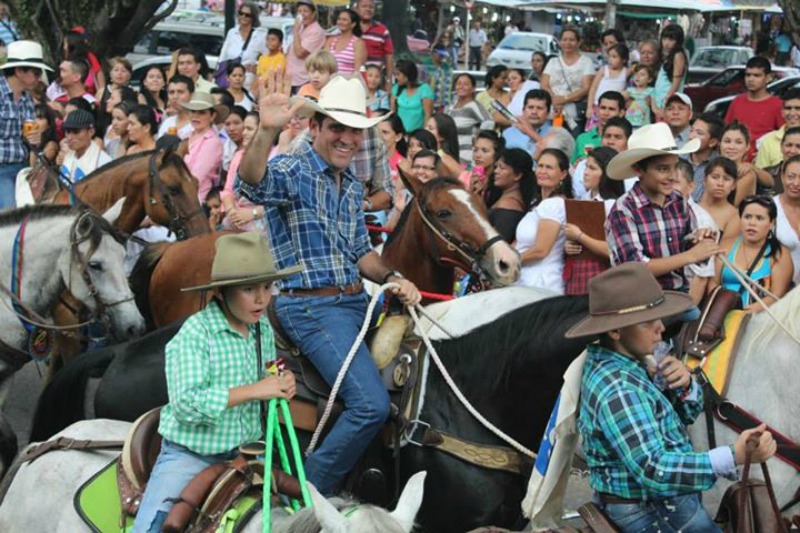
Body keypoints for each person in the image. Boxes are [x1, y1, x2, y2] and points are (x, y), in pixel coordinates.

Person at [237, 72, 421, 495]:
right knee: (371, 405)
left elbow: (363, 255)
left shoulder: (352, 185)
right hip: (310, 308)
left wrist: (394, 278)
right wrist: (266, 130)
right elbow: (250, 182)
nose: (347, 139)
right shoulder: (293, 169)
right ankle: (307, 495)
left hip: (356, 302)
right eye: (336, 127)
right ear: (314, 127)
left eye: (354, 131)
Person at [567, 261, 777, 533]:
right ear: (615, 331)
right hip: (653, 512)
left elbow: (679, 420)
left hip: (657, 506)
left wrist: (686, 385)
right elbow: (654, 469)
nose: (660, 328)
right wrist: (732, 456)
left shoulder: (633, 362)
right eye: (647, 322)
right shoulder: (619, 388)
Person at [131, 231, 301, 533]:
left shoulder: (261, 325)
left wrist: (281, 380)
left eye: (267, 286)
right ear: (221, 292)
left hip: (248, 453)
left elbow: (270, 368)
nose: (261, 298)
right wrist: (255, 391)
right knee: (152, 528)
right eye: (249, 289)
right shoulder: (195, 334)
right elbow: (186, 404)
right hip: (192, 455)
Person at [605, 122, 721, 296]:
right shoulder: (624, 210)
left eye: (675, 167)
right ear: (638, 169)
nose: (673, 176)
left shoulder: (677, 201)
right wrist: (692, 255)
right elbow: (635, 269)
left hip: (678, 296)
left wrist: (700, 243)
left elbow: (688, 247)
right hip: (640, 302)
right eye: (662, 169)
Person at [709, 195, 792, 311]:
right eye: (747, 217)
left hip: (760, 317)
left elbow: (776, 296)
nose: (752, 223)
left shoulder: (779, 254)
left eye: (759, 218)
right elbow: (713, 283)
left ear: (771, 223)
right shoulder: (725, 246)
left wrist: (744, 314)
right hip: (721, 313)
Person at [563, 146, 623, 295]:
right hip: (577, 275)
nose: (585, 172)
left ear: (607, 174)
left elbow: (613, 250)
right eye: (586, 167)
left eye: (592, 168)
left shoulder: (613, 206)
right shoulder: (581, 201)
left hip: (603, 275)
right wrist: (568, 246)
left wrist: (579, 236)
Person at [515, 147, 574, 293]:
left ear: (563, 174)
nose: (542, 171)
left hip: (540, 283)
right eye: (540, 166)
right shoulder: (538, 203)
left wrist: (509, 261)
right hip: (526, 279)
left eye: (549, 167)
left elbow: (540, 250)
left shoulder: (553, 204)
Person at [0, 40, 50, 210]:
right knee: (12, 213)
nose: (39, 77)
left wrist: (34, 139)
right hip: (1, 170)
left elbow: (29, 139)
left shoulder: (27, 99)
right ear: (19, 71)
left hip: (22, 168)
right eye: (36, 72)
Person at [725, 56, 784, 158]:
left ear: (768, 77)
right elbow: (726, 131)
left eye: (757, 75)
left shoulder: (778, 105)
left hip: (763, 161)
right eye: (748, 75)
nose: (751, 79)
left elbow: (784, 136)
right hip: (736, 159)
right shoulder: (737, 102)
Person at [540, 25, 595, 135]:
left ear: (579, 42)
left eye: (572, 40)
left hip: (574, 115)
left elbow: (586, 88)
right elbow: (544, 85)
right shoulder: (553, 62)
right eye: (564, 39)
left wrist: (563, 99)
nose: (567, 43)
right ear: (559, 42)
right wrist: (554, 100)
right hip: (552, 112)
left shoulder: (586, 62)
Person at [182, 92, 226, 202]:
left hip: (196, 200)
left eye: (201, 112)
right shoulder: (185, 136)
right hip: (178, 197)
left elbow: (197, 177)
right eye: (193, 111)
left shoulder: (213, 142)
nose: (195, 116)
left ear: (212, 116)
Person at [222, 111, 263, 231]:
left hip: (263, 220)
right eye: (244, 128)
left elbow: (279, 201)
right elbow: (228, 190)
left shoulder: (274, 156)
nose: (244, 133)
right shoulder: (239, 155)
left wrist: (253, 214)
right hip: (237, 217)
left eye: (249, 129)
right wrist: (231, 210)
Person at [484, 148, 535, 243]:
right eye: (496, 167)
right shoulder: (505, 200)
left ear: (517, 175)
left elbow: (499, 241)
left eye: (502, 168)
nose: (496, 171)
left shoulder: (510, 205)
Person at [720, 121, 773, 204]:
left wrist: (752, 167)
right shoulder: (712, 167)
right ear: (720, 144)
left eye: (738, 142)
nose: (731, 147)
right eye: (727, 141)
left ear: (747, 146)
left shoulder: (747, 174)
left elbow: (770, 181)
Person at [447, 73, 494, 163]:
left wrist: (477, 140)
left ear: (473, 88)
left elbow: (489, 122)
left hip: (465, 155)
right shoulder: (452, 105)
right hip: (450, 153)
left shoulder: (473, 106)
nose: (461, 86)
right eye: (459, 83)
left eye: (466, 84)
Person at [218, 1, 264, 89]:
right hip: (230, 81)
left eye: (247, 15)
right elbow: (222, 57)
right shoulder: (232, 33)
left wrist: (257, 68)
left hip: (248, 83)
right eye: (241, 13)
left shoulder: (260, 35)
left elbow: (268, 57)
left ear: (253, 17)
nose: (243, 16)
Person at [572, 90, 625, 164]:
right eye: (603, 108)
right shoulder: (582, 138)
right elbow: (572, 167)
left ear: (621, 113)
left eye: (611, 109)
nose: (606, 113)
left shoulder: (628, 140)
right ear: (596, 110)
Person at [59, 109, 112, 182]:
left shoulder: (104, 162)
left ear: (91, 132)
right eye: (68, 131)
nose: (69, 137)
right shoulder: (68, 156)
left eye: (76, 132)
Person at [586, 43, 629, 132]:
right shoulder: (603, 70)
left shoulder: (626, 72)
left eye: (614, 57)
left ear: (624, 60)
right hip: (598, 106)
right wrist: (589, 107)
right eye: (609, 56)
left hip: (614, 109)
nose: (610, 60)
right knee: (593, 131)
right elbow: (593, 88)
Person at [755, 88, 800, 170]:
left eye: (798, 108)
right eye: (788, 108)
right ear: (782, 112)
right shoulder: (767, 141)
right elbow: (761, 177)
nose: (792, 113)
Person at [288, 0, 327, 94]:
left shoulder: (316, 31)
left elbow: (300, 53)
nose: (301, 15)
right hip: (291, 78)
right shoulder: (301, 27)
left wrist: (295, 31)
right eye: (299, 11)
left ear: (313, 14)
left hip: (303, 79)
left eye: (305, 11)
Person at [697, 157, 741, 239]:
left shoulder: (735, 216)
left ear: (734, 185)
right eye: (715, 177)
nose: (720, 183)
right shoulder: (691, 209)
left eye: (726, 179)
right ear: (705, 180)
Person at [683, 112, 723, 200]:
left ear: (712, 142)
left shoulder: (720, 166)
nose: (691, 136)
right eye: (691, 130)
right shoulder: (678, 159)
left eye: (699, 133)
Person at [774, 155, 800, 283]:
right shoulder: (769, 208)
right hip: (774, 288)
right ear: (782, 177)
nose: (796, 183)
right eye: (791, 177)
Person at [502, 89, 551, 154]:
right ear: (523, 110)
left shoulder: (556, 134)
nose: (534, 112)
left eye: (539, 108)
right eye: (530, 107)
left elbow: (554, 154)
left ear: (548, 113)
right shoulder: (508, 133)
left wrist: (529, 132)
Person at [653, 24, 688, 116]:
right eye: (664, 39)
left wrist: (667, 99)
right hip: (661, 99)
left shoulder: (678, 55)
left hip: (668, 101)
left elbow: (676, 81)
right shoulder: (668, 56)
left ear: (678, 41)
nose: (666, 43)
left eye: (671, 40)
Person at [390, 59, 433, 133]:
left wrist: (424, 134)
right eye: (395, 75)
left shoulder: (424, 89)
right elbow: (392, 113)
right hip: (400, 133)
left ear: (407, 75)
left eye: (398, 74)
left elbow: (427, 115)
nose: (396, 77)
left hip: (417, 133)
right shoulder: (396, 88)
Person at [356, 0, 394, 82]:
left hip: (375, 80)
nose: (368, 9)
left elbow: (389, 57)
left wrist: (389, 80)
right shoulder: (350, 29)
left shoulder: (382, 30)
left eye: (371, 7)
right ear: (357, 9)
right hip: (353, 77)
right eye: (364, 6)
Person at [325, 8, 366, 77]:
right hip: (329, 82)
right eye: (339, 19)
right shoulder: (330, 40)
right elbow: (323, 63)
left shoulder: (358, 43)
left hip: (348, 83)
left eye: (344, 20)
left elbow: (357, 71)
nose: (340, 22)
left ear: (353, 24)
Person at [426, 113, 468, 178]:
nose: (425, 130)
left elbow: (465, 178)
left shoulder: (444, 158)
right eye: (426, 126)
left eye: (430, 128)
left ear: (441, 136)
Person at [157, 75, 195, 140]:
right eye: (171, 92)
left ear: (192, 95)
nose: (175, 97)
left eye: (180, 92)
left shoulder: (199, 123)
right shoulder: (167, 122)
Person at [764, 126, 800, 194]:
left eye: (798, 146)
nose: (792, 151)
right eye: (789, 145)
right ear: (781, 147)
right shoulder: (766, 175)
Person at [623, 64, 656, 128]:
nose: (637, 77)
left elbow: (655, 107)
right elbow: (618, 99)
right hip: (629, 122)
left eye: (642, 75)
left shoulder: (652, 91)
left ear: (649, 79)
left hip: (643, 123)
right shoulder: (629, 91)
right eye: (636, 74)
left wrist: (651, 103)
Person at [429, 46, 454, 114]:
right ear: (433, 53)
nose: (442, 56)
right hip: (429, 103)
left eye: (443, 55)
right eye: (440, 54)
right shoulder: (427, 66)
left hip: (443, 105)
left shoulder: (446, 68)